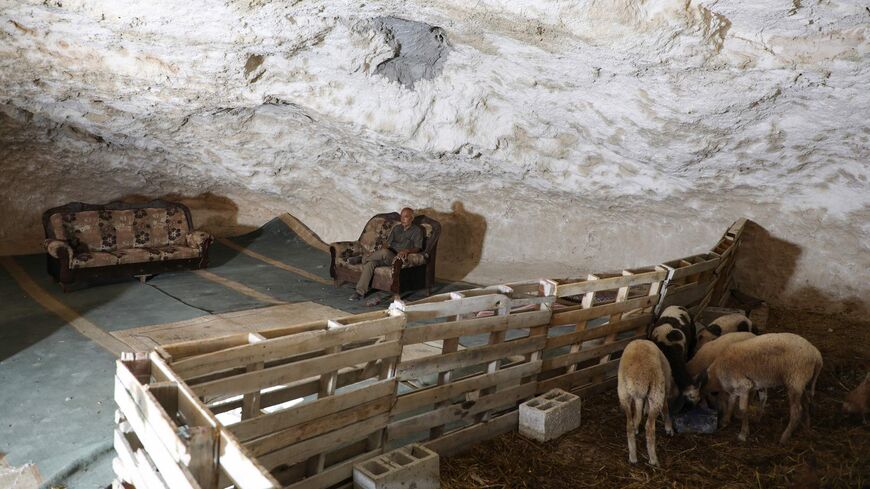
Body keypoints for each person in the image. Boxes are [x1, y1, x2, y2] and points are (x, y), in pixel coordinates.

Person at [349, 207, 423, 301]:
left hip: (398, 259)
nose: (402, 219)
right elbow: (387, 244)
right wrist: (381, 249)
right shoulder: (397, 228)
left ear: (412, 218)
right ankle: (359, 292)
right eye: (401, 216)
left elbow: (418, 247)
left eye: (406, 217)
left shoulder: (417, 231)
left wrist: (407, 251)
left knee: (384, 253)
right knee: (370, 264)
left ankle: (362, 259)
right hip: (387, 256)